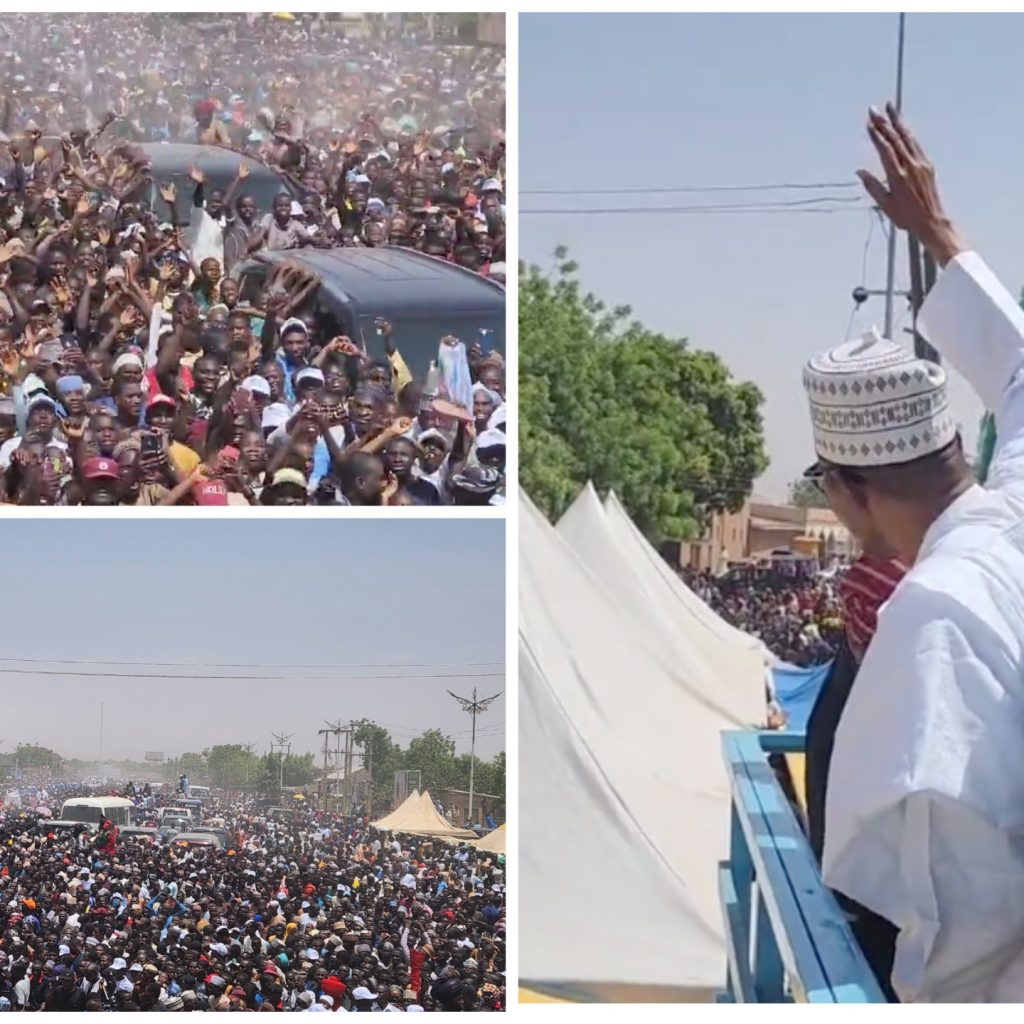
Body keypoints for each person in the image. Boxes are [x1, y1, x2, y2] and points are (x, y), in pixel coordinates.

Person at [801, 104, 1024, 1002]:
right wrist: (936, 232)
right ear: (955, 449)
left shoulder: (932, 615)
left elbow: (963, 916)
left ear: (846, 496)